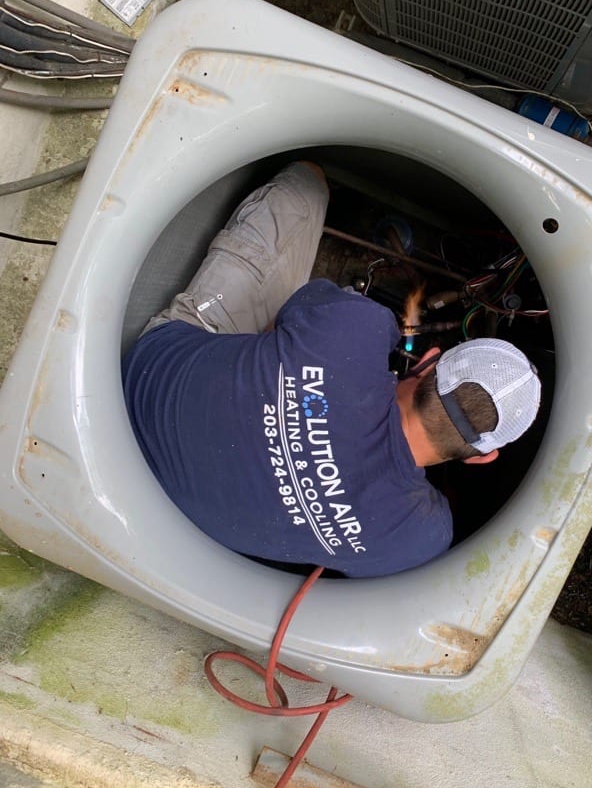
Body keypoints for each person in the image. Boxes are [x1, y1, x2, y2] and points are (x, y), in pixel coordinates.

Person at [122, 161, 541, 578]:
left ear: (430, 360)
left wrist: (307, 382)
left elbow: (295, 314)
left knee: (307, 186)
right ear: (483, 458)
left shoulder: (355, 329)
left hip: (134, 389)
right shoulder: (420, 538)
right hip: (156, 515)